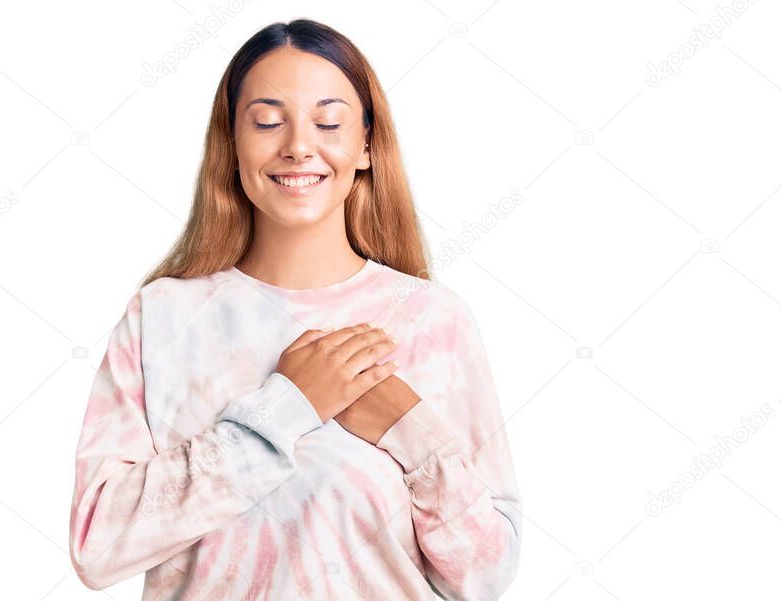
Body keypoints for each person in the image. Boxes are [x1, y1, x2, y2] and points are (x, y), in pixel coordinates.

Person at [68, 18, 522, 601]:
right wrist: (285, 408)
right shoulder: (160, 318)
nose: (299, 146)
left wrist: (408, 429)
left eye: (328, 121)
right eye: (266, 121)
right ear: (231, 145)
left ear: (365, 145)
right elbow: (96, 546)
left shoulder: (433, 319)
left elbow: (486, 575)